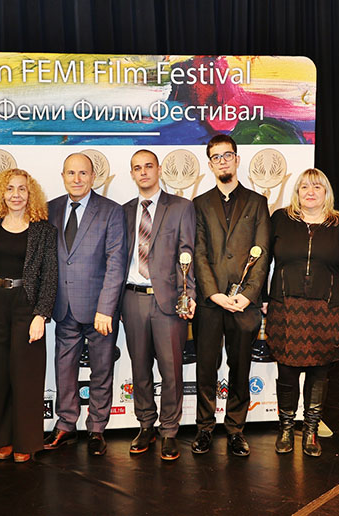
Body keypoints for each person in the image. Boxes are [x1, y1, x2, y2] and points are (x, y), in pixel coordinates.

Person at [267, 168, 339, 456]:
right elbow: (262, 260)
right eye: (305, 187)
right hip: (285, 308)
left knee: (319, 373)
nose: (310, 192)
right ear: (297, 192)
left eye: (317, 187)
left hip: (327, 311)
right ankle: (286, 429)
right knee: (286, 371)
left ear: (326, 192)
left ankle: (310, 431)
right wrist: (261, 298)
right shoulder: (280, 219)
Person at [192, 134, 271, 457]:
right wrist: (213, 294)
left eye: (228, 155)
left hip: (243, 305)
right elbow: (198, 253)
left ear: (237, 160)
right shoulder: (199, 204)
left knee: (240, 368)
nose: (222, 161)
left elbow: (263, 252)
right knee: (205, 368)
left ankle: (236, 429)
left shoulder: (257, 202)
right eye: (216, 157)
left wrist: (248, 295)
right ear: (210, 164)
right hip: (210, 304)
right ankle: (204, 427)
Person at [44, 153, 127, 456]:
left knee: (101, 369)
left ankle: (97, 429)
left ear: (93, 177)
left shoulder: (111, 211)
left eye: (83, 173)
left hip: (99, 310)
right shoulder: (50, 209)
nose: (77, 179)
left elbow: (116, 262)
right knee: (63, 368)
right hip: (63, 307)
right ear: (63, 176)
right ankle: (66, 424)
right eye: (71, 173)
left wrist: (106, 307)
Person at [121, 149, 196, 461]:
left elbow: (188, 254)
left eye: (148, 166)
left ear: (159, 169)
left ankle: (169, 431)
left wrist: (189, 295)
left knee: (171, 370)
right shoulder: (123, 211)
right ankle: (145, 426)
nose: (143, 172)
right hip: (132, 299)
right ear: (131, 174)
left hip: (169, 301)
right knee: (139, 368)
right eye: (137, 168)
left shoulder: (181, 207)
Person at [0, 168, 57, 463]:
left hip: (27, 304)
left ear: (30, 193)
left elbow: (50, 275)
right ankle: (3, 439)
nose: (16, 195)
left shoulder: (44, 230)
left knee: (26, 374)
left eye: (22, 189)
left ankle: (25, 440)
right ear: (1, 193)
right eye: (10, 188)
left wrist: (41, 314)